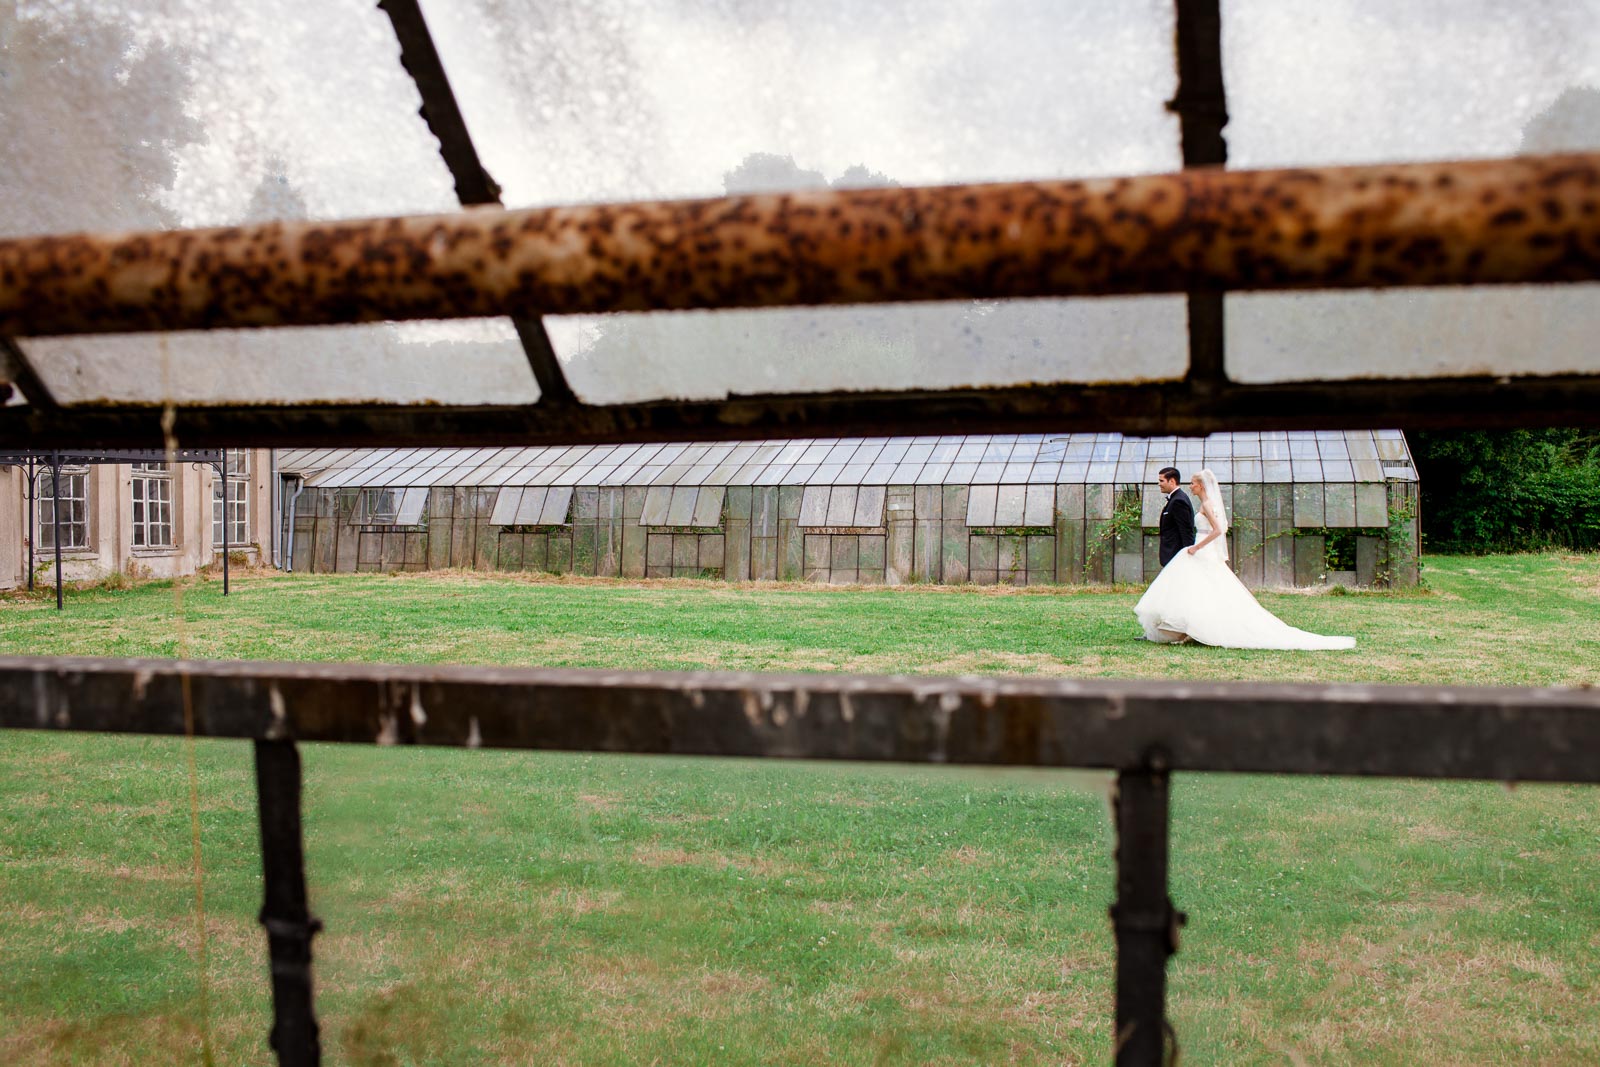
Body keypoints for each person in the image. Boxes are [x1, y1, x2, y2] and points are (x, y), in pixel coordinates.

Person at [1134, 468, 1356, 650]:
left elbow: (1218, 529)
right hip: (1200, 551)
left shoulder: (1206, 505)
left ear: (1201, 485)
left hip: (1202, 550)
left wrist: (1196, 547)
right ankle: (1187, 628)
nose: (1190, 486)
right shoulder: (1202, 504)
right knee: (1201, 590)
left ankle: (1191, 628)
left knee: (1203, 589)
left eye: (1193, 483)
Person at [1155, 466, 1195, 567]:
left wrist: (1187, 556)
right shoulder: (1175, 499)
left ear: (1172, 481)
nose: (1159, 484)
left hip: (1175, 555)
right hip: (1172, 555)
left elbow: (1186, 530)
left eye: (1161, 481)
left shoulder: (1178, 501)